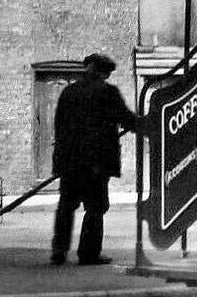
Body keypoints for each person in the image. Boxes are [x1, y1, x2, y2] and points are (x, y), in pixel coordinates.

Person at [50, 53, 137, 266]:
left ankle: (59, 252)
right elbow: (127, 119)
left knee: (66, 206)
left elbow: (59, 127)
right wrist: (149, 125)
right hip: (95, 164)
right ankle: (88, 254)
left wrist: (61, 161)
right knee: (95, 208)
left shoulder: (69, 92)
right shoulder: (108, 92)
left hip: (69, 161)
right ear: (104, 73)